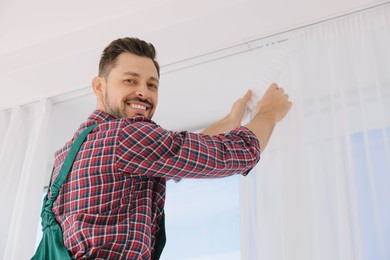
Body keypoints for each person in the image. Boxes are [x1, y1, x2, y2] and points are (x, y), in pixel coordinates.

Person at [50, 37, 292, 259]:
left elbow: (173, 157)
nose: (143, 92)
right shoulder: (126, 135)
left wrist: (229, 121)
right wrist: (268, 113)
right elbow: (236, 154)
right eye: (130, 80)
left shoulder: (66, 155)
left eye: (152, 85)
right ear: (99, 86)